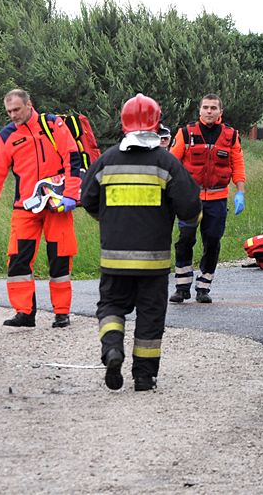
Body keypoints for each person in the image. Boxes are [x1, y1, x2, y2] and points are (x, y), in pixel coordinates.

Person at [81, 94, 200, 391]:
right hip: (153, 262)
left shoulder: (106, 160)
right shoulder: (166, 163)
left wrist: (107, 219)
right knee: (150, 317)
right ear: (157, 124)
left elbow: (87, 200)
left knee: (110, 306)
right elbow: (190, 209)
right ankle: (144, 377)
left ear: (123, 124)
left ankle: (112, 349)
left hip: (114, 260)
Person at [0, 89, 81, 328]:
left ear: (29, 105)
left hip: (57, 205)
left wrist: (71, 195)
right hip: (25, 206)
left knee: (60, 259)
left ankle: (62, 313)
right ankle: (24, 313)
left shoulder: (53, 125)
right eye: (9, 112)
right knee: (17, 260)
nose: (13, 115)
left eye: (16, 110)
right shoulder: (6, 136)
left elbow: (72, 158)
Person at [169, 94, 246, 303]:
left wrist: (240, 191)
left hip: (217, 197)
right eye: (205, 107)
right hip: (190, 198)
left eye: (213, 108)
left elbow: (237, 164)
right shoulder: (186, 133)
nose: (209, 111)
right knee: (185, 239)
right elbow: (172, 163)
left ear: (220, 112)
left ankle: (204, 286)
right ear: (199, 110)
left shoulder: (230, 135)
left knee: (212, 241)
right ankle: (182, 286)